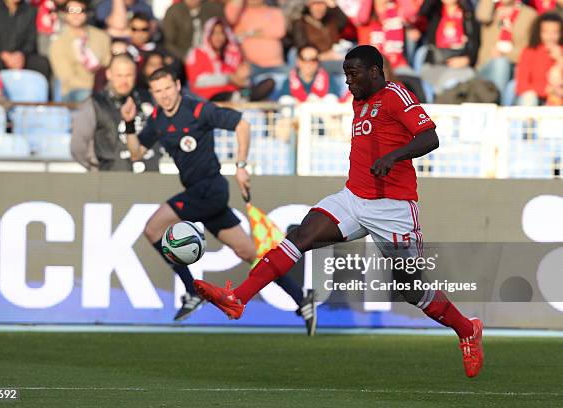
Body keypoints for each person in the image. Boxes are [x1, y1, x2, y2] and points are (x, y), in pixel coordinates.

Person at [194, 45, 484, 377]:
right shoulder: (359, 100)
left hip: (393, 207)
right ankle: (238, 298)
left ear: (375, 71)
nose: (348, 81)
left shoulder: (395, 94)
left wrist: (394, 156)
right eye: (346, 74)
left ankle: (467, 329)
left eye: (354, 74)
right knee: (300, 235)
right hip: (353, 197)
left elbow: (430, 137)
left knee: (410, 286)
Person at [122, 67, 317, 331]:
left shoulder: (198, 109)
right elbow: (136, 153)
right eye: (158, 91)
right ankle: (301, 297)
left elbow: (242, 124)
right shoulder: (156, 118)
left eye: (168, 88)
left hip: (209, 189)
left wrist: (241, 165)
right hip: (201, 193)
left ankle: (192, 292)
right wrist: (131, 123)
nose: (164, 96)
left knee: (153, 228)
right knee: (250, 253)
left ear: (178, 85)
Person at [71, 53, 159, 172]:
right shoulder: (94, 104)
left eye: (129, 75)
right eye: (119, 75)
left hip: (150, 178)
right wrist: (97, 168)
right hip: (110, 179)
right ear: (109, 74)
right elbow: (78, 147)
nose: (124, 81)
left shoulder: (149, 99)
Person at [185, 17, 274, 101]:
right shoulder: (197, 53)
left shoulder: (231, 54)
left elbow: (241, 79)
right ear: (208, 34)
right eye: (214, 33)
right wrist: (228, 78)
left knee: (268, 83)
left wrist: (243, 78)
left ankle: (244, 98)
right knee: (226, 97)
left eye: (221, 33)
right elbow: (197, 81)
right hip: (211, 97)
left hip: (237, 92)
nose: (218, 37)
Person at [49, 0, 111, 102]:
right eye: (71, 10)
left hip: (102, 88)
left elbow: (108, 65)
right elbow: (67, 78)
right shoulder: (58, 44)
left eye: (80, 10)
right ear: (64, 14)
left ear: (87, 13)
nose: (75, 14)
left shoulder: (102, 37)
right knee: (88, 96)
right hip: (73, 92)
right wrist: (93, 88)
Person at [476, 0, 537, 97]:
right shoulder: (491, 10)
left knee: (515, 86)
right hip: (487, 66)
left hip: (515, 67)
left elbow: (529, 51)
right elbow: (482, 15)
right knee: (500, 63)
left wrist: (506, 54)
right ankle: (496, 100)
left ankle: (499, 103)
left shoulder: (530, 15)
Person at [417, 0, 480, 95]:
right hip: (435, 64)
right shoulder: (434, 11)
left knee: (468, 76)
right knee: (446, 80)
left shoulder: (468, 14)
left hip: (460, 65)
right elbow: (422, 11)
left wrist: (468, 59)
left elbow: (475, 42)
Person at [0, 0, 51, 79]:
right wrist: (2, 55)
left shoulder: (30, 10)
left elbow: (30, 41)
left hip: (21, 57)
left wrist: (21, 55)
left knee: (42, 64)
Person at [225, 0, 287, 77]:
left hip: (275, 65)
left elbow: (279, 31)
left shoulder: (274, 11)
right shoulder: (239, 13)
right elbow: (230, 17)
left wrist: (248, 33)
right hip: (250, 66)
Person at [516, 12, 563, 105]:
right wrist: (547, 90)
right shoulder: (529, 51)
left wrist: (560, 59)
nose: (550, 36)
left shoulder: (560, 51)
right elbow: (521, 86)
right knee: (529, 97)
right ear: (539, 32)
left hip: (557, 100)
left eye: (555, 32)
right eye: (546, 32)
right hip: (534, 99)